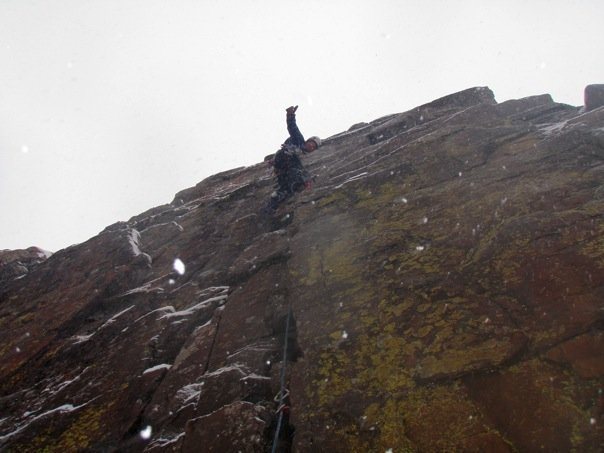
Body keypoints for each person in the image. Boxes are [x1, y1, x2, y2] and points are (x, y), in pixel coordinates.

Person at [266, 105, 321, 212]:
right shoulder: (299, 140)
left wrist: (307, 180)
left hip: (283, 168)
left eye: (314, 147)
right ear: (307, 141)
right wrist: (290, 115)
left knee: (287, 189)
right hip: (283, 158)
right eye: (311, 144)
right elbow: (292, 127)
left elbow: (298, 167)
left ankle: (271, 207)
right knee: (297, 173)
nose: (311, 147)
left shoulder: (300, 157)